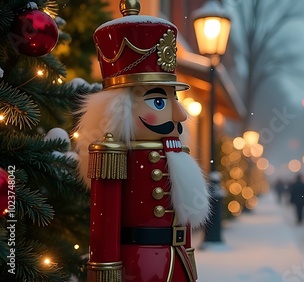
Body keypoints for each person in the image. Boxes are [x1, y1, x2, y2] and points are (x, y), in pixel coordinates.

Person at [77, 2, 209, 280]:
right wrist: (105, 271)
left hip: (177, 265)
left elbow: (182, 220)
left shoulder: (176, 152)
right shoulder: (111, 154)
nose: (180, 114)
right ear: (119, 109)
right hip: (138, 267)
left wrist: (188, 261)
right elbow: (105, 223)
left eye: (175, 98)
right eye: (160, 100)